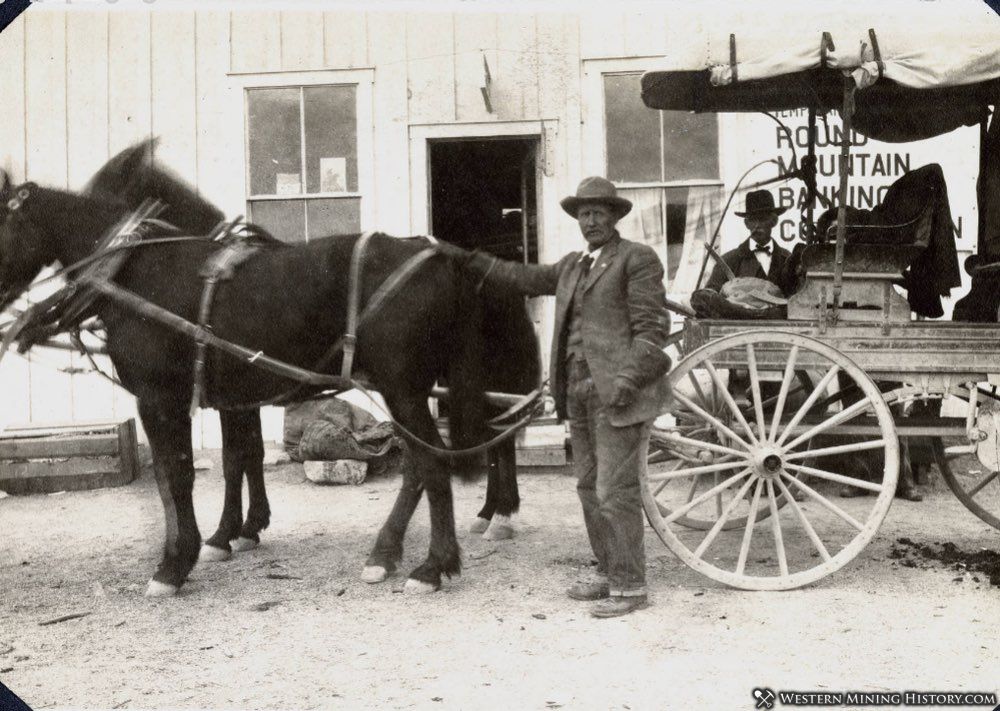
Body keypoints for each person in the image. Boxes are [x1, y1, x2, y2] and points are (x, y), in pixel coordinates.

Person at [442, 176, 672, 618]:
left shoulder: (636, 260)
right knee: (588, 487)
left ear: (615, 216)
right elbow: (520, 276)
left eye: (599, 212)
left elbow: (652, 331)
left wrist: (626, 381)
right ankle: (609, 572)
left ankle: (630, 586)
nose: (590, 221)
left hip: (617, 395)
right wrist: (462, 257)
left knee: (614, 490)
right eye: (584, 214)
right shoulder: (573, 266)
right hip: (578, 393)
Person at [705, 189, 793, 295]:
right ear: (746, 223)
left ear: (774, 221)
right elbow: (709, 299)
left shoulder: (788, 260)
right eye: (752, 220)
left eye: (762, 219)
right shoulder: (728, 261)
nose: (756, 226)